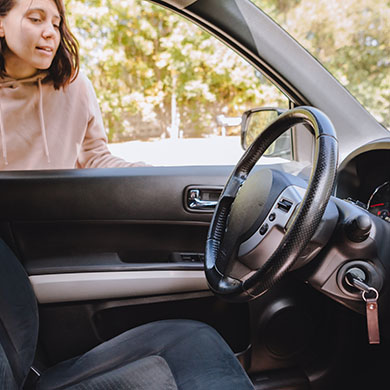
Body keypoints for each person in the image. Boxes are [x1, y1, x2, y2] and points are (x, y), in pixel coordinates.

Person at [0, 0, 146, 170]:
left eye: (56, 24)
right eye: (36, 19)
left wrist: (145, 173)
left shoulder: (74, 86)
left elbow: (94, 158)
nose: (51, 33)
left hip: (59, 197)